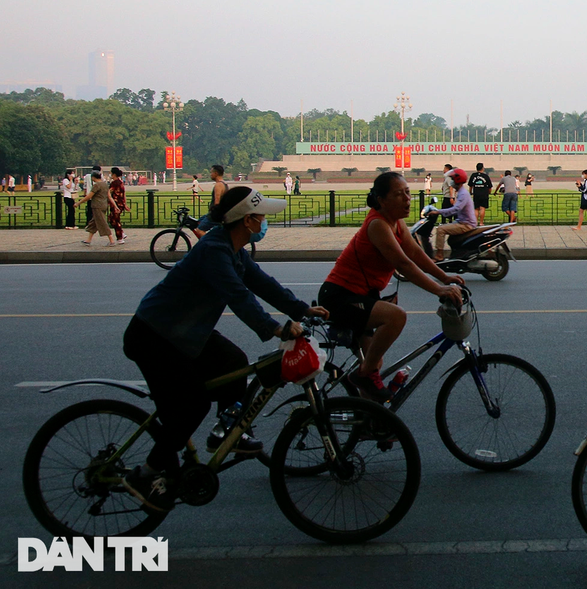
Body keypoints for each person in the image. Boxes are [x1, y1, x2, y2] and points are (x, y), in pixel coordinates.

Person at [120, 187, 329, 512]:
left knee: (234, 362)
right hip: (154, 336)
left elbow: (262, 283)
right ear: (247, 221)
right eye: (261, 217)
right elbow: (239, 297)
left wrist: (301, 310)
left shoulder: (234, 250)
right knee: (190, 406)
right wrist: (277, 327)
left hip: (186, 334)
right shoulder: (215, 251)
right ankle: (145, 474)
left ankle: (225, 431)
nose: (264, 223)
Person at [319, 172, 464, 401]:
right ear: (381, 200)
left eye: (407, 192)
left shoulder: (395, 223)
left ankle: (369, 419)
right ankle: (364, 375)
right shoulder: (377, 224)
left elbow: (415, 252)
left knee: (375, 361)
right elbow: (403, 263)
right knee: (395, 317)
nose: (407, 198)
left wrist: (444, 277)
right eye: (399, 194)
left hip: (361, 295)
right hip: (341, 296)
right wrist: (439, 289)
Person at [431, 168, 476, 260]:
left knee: (440, 229)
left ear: (457, 180)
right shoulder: (461, 193)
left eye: (452, 179)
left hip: (466, 224)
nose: (451, 182)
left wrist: (438, 212)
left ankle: (439, 255)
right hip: (462, 222)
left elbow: (456, 209)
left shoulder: (463, 194)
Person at [81, 168, 115, 246]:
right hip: (104, 205)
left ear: (93, 177)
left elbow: (89, 196)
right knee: (94, 222)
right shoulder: (105, 184)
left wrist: (79, 203)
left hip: (97, 206)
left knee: (102, 222)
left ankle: (111, 240)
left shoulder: (96, 185)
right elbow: (109, 196)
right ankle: (88, 240)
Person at [196, 164, 229, 235]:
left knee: (199, 230)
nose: (210, 174)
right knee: (199, 222)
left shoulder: (218, 185)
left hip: (216, 214)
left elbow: (217, 202)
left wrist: (213, 212)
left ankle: (209, 243)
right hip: (221, 213)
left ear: (216, 173)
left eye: (211, 172)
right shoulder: (224, 184)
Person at [108, 167, 129, 244]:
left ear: (114, 174)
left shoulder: (114, 183)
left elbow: (109, 193)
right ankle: (122, 233)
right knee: (114, 219)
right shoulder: (121, 182)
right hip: (121, 204)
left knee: (114, 221)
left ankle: (120, 237)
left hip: (115, 204)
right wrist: (125, 204)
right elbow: (124, 194)